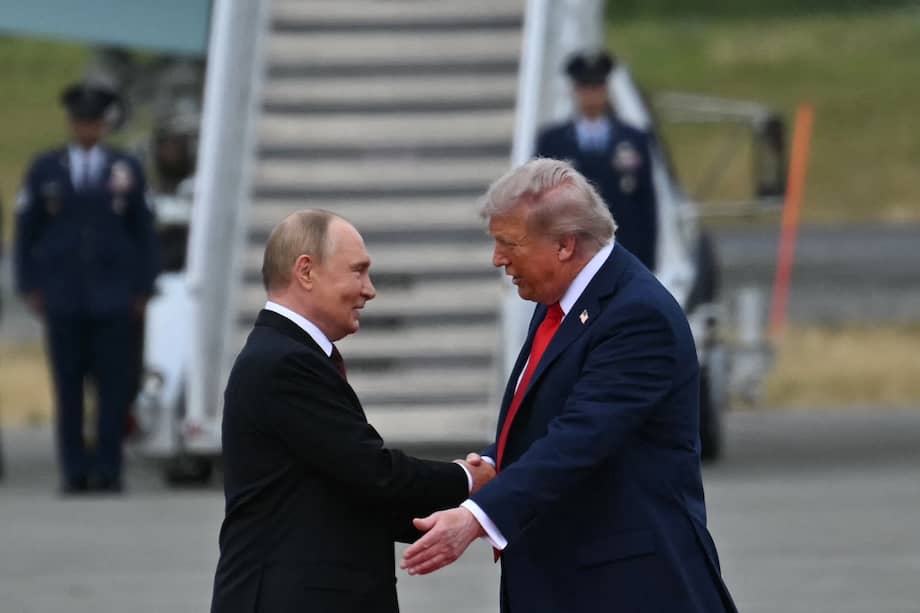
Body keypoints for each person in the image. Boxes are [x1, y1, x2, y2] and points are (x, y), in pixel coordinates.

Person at [401, 159, 737, 612]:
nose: (498, 259)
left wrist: (477, 518)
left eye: (508, 244)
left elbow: (580, 437)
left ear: (564, 245)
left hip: (629, 587)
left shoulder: (638, 316)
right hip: (567, 580)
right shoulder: (561, 299)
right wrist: (492, 464)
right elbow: (543, 419)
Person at [210, 210, 495, 613]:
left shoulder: (290, 354)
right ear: (306, 272)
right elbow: (373, 472)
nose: (369, 290)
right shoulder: (283, 363)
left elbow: (343, 490)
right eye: (358, 272)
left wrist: (458, 517)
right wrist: (470, 480)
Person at [13, 82, 160, 494]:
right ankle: (74, 469)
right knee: (69, 384)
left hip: (114, 296)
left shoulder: (124, 167)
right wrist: (29, 284)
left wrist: (144, 287)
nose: (87, 129)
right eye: (81, 122)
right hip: (63, 294)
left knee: (112, 386)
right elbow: (27, 230)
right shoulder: (47, 168)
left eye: (94, 122)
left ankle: (109, 468)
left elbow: (143, 232)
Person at [535, 49, 658, 270]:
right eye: (585, 87)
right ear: (575, 91)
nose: (591, 94)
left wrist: (647, 265)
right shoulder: (552, 142)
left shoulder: (633, 139)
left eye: (597, 87)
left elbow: (646, 206)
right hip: (570, 258)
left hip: (621, 254)